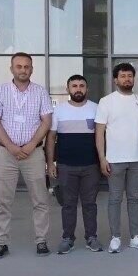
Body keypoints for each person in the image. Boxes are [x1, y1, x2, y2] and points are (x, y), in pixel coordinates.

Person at [0, 52, 53, 260]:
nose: (23, 70)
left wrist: (31, 144)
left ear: (32, 69)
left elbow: (46, 121)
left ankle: (41, 240)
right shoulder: (0, 91)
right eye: (19, 66)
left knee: (40, 199)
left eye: (27, 66)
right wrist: (11, 146)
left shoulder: (40, 92)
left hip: (33, 154)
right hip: (6, 153)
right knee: (3, 201)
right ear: (12, 69)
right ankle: (1, 242)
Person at [95, 63, 138, 253]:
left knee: (135, 198)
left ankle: (136, 237)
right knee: (115, 199)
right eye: (123, 76)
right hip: (114, 159)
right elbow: (99, 132)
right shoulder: (106, 102)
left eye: (130, 76)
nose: (127, 79)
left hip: (137, 159)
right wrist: (102, 158)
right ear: (115, 80)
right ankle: (115, 237)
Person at [45, 74, 102, 254]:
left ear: (87, 89)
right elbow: (51, 138)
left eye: (81, 86)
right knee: (68, 204)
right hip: (66, 166)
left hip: (91, 165)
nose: (78, 89)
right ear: (68, 89)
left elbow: (102, 136)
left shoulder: (96, 108)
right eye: (74, 86)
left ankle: (91, 237)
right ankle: (67, 238)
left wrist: (103, 160)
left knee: (90, 204)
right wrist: (50, 163)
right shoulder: (59, 111)